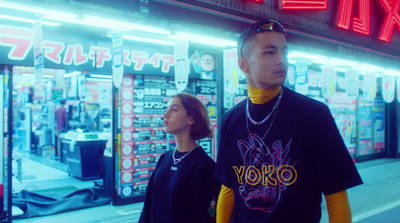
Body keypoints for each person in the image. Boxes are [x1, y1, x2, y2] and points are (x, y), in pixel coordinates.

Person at [215, 19, 363, 223]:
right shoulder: (232, 119)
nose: (281, 60)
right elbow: (228, 189)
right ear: (244, 64)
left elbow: (336, 194)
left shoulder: (313, 114)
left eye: (284, 52)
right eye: (269, 52)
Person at [139, 92, 219, 223]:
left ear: (191, 119)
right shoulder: (164, 158)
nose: (165, 115)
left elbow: (205, 217)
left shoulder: (205, 166)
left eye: (174, 109)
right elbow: (148, 205)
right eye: (166, 110)